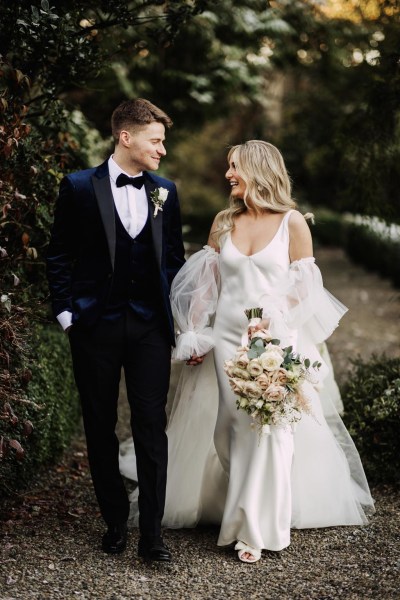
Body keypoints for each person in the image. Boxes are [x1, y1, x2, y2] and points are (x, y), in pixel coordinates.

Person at [119, 140, 374, 564]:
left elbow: (305, 287)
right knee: (229, 431)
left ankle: (256, 528)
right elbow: (205, 284)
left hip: (274, 342)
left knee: (270, 430)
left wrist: (271, 317)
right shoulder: (224, 222)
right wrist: (195, 332)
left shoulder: (293, 223)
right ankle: (239, 503)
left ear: (257, 169)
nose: (228, 175)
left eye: (234, 167)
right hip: (226, 341)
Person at [47, 98, 185, 562]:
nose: (162, 150)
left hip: (148, 327)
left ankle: (152, 535)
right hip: (94, 327)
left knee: (151, 426)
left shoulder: (165, 191)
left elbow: (173, 263)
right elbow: (59, 254)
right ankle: (113, 522)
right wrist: (67, 315)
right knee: (100, 426)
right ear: (126, 137)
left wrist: (180, 324)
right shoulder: (80, 187)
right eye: (156, 140)